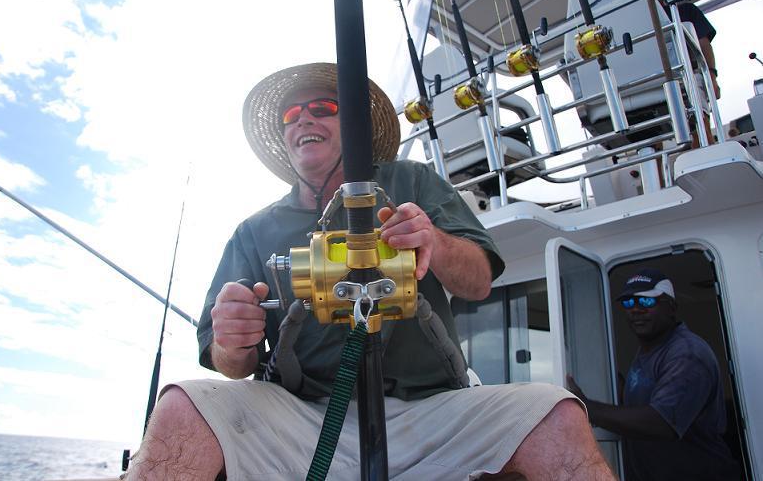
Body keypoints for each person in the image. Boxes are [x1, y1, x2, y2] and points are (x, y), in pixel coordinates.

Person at [125, 63, 614, 480]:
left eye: (323, 108)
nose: (304, 120)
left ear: (354, 124)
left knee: (557, 412)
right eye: (292, 115)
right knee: (180, 408)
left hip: (433, 409)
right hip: (302, 413)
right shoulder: (254, 231)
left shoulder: (411, 180)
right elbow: (228, 360)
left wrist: (433, 241)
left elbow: (479, 280)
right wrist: (233, 341)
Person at [567, 268, 740, 481]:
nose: (636, 310)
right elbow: (646, 402)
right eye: (629, 303)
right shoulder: (650, 350)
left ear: (671, 307)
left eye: (646, 302)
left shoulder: (687, 353)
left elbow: (661, 423)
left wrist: (588, 408)